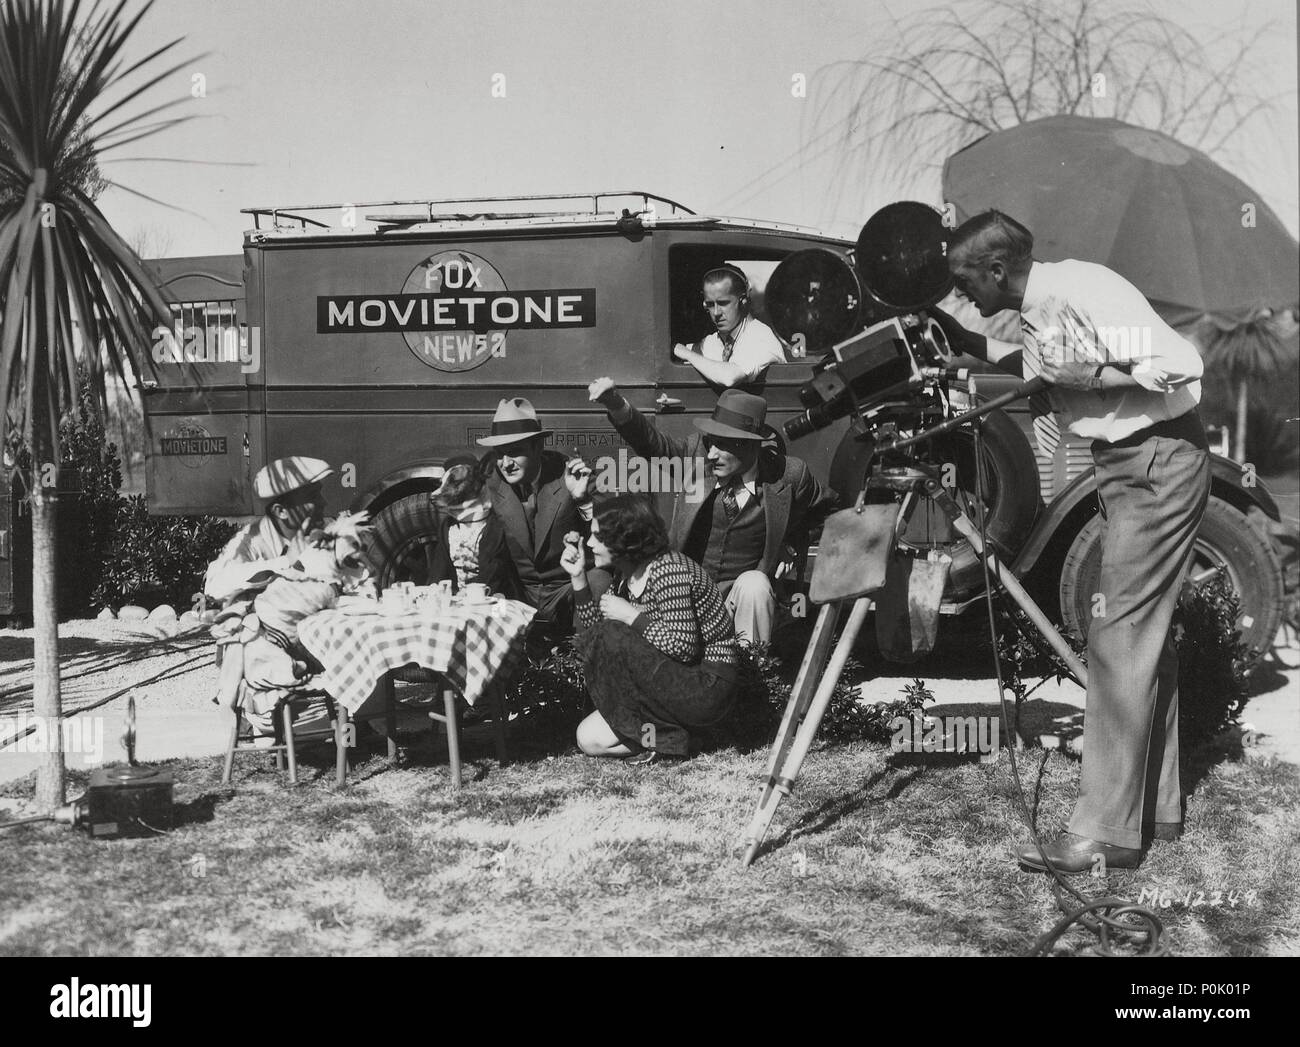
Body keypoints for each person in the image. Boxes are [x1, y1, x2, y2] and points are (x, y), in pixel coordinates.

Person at [934, 210, 1209, 872]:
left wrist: (1092, 376)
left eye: (965, 280)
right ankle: (1155, 809)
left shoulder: (1082, 289)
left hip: (1157, 460)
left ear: (997, 269)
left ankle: (1106, 833)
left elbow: (1182, 363)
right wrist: (963, 342)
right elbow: (1040, 370)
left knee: (1116, 637)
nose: (962, 291)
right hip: (1129, 466)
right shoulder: (1040, 307)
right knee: (1145, 641)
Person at [586, 380, 837, 645]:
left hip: (739, 601)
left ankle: (752, 673)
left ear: (749, 445)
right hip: (683, 597)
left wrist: (792, 543)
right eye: (711, 442)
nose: (712, 454)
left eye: (723, 444)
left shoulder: (789, 476)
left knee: (755, 584)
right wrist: (615, 402)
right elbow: (652, 444)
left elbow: (828, 510)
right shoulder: (697, 457)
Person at [561, 493, 740, 764]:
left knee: (613, 634)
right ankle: (678, 740)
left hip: (705, 684)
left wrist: (632, 616)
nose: (589, 543)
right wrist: (577, 578)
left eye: (598, 536)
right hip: (666, 682)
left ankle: (680, 735)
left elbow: (684, 648)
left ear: (624, 538)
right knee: (588, 738)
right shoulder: (626, 574)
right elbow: (595, 636)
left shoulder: (668, 570)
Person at [477, 397, 599, 643]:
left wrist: (582, 501)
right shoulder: (492, 484)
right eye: (500, 454)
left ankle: (587, 659)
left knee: (600, 581)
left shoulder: (569, 476)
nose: (506, 463)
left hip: (568, 591)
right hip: (519, 595)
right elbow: (490, 556)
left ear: (537, 447)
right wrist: (496, 598)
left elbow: (606, 542)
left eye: (515, 452)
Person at [204, 456, 333, 604]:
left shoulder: (325, 528)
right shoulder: (250, 539)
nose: (323, 502)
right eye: (313, 496)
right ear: (280, 511)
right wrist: (286, 562)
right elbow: (214, 585)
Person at [405, 453, 521, 598]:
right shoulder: (448, 527)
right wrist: (433, 591)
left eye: (453, 482)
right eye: (441, 484)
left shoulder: (494, 526)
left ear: (478, 481)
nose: (435, 494)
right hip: (459, 601)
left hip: (491, 598)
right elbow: (438, 570)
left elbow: (493, 574)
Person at [672, 265, 787, 388]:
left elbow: (730, 377)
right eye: (710, 304)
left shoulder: (760, 336)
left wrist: (685, 353)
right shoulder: (709, 342)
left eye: (723, 303)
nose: (716, 313)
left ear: (743, 301)